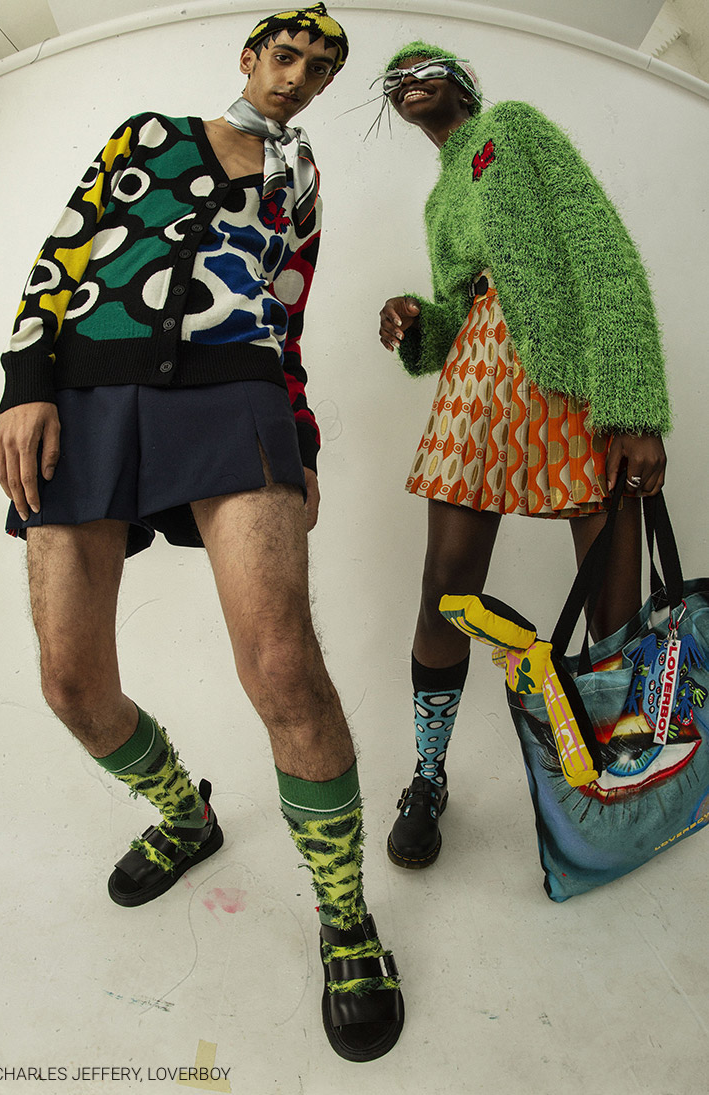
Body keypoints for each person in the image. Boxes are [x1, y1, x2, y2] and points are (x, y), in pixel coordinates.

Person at [0, 4, 403, 1063]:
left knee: (284, 665)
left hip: (234, 397)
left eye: (319, 67)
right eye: (286, 54)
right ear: (250, 57)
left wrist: (301, 440)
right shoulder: (150, 136)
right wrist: (25, 384)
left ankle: (345, 918)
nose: (297, 75)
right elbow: (62, 252)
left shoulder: (299, 185)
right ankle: (187, 815)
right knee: (70, 683)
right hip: (85, 395)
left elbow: (286, 319)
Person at [377, 41, 669, 870]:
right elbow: (457, 310)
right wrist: (417, 320)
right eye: (395, 79)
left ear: (464, 84)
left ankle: (619, 762)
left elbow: (600, 250)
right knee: (445, 591)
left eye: (426, 68)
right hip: (477, 377)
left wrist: (634, 408)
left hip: (567, 377)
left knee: (612, 593)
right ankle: (429, 774)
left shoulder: (514, 128)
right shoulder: (440, 198)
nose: (408, 81)